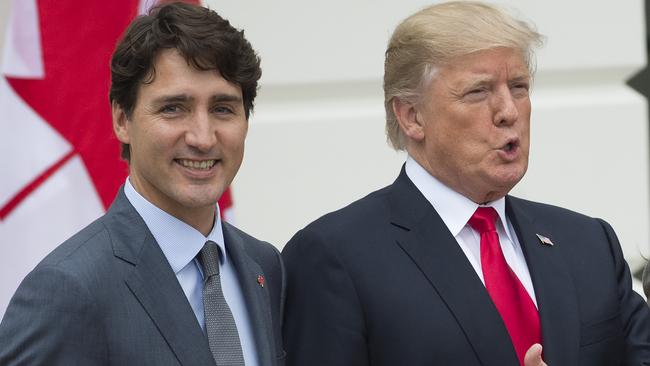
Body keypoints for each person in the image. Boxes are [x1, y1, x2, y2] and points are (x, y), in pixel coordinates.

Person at [282, 2, 650, 366]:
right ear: (412, 116)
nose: (508, 111)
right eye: (478, 91)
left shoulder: (588, 243)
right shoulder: (335, 258)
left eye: (519, 87)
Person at [0, 3, 285, 365]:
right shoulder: (69, 289)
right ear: (122, 120)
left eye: (223, 108)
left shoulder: (264, 266)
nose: (202, 136)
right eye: (173, 108)